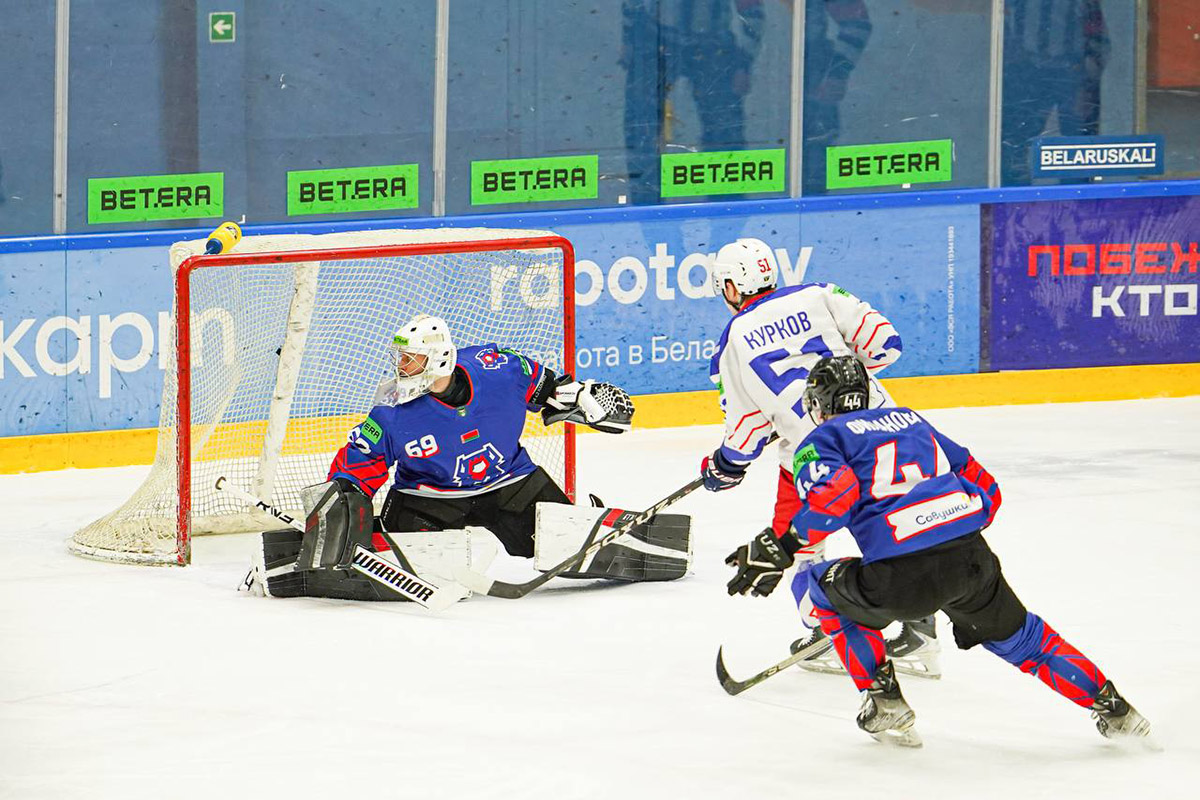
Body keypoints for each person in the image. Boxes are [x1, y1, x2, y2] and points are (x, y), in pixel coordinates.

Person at [725, 355, 1151, 746]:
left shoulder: (822, 440)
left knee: (822, 588)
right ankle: (1117, 711)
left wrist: (784, 546)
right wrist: (947, 522)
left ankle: (884, 700)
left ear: (818, 405)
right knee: (1028, 641)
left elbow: (834, 499)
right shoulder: (912, 421)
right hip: (971, 561)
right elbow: (987, 489)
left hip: (898, 578)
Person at [246, 313, 680, 601]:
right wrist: (342, 500)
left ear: (439, 360)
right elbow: (359, 465)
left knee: (566, 546)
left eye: (411, 360)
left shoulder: (499, 367)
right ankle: (303, 559)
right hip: (428, 500)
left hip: (511, 485)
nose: (401, 367)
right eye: (401, 358)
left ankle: (608, 531)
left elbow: (550, 388)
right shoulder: (392, 411)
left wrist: (582, 397)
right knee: (401, 559)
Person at [698, 237, 939, 676]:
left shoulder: (731, 342)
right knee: (903, 526)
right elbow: (886, 344)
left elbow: (747, 432)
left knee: (795, 544)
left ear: (730, 286)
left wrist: (724, 466)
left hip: (814, 452)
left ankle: (828, 633)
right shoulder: (820, 294)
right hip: (886, 430)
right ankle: (920, 632)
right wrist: (841, 382)